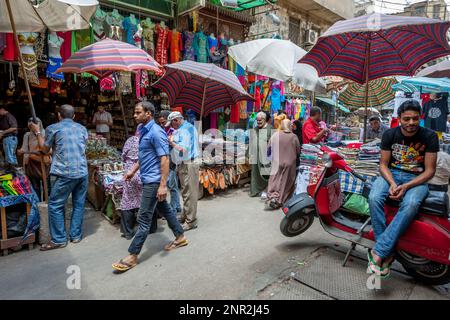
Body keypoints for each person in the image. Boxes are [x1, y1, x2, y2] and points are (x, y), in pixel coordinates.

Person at [112, 102, 187, 272]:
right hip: (148, 179)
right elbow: (144, 156)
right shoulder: (144, 130)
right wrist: (132, 170)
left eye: (138, 112)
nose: (134, 115)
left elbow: (165, 159)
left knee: (144, 219)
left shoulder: (156, 132)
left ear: (148, 114)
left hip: (153, 182)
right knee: (166, 210)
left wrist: (162, 186)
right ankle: (180, 236)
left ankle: (132, 255)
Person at [368, 100, 439, 277]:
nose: (411, 123)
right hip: (391, 174)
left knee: (412, 204)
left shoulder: (429, 136)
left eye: (415, 118)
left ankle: (380, 251)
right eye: (406, 119)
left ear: (420, 118)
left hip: (417, 179)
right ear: (399, 118)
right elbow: (383, 165)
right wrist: (392, 183)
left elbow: (430, 171)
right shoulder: (390, 134)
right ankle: (387, 250)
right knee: (374, 197)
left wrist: (406, 186)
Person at [29, 104, 89, 250]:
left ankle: (59, 239)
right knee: (79, 204)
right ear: (74, 116)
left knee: (55, 205)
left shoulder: (53, 128)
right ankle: (75, 236)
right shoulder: (82, 129)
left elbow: (44, 149)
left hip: (65, 172)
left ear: (59, 116)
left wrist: (37, 132)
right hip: (82, 171)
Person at [167, 111, 200, 231]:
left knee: (190, 192)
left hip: (189, 163)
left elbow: (183, 149)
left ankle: (191, 221)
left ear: (176, 120)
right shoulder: (183, 128)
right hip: (184, 163)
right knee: (185, 191)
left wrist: (171, 142)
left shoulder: (186, 129)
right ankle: (186, 215)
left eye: (171, 123)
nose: (171, 126)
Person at [266, 119, 301, 209]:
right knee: (287, 181)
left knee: (275, 179)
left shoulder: (275, 135)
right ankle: (281, 199)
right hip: (289, 163)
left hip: (277, 161)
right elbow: (298, 151)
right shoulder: (294, 137)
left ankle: (273, 197)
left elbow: (268, 148)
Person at [17, 118, 51, 201]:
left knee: (47, 187)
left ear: (39, 123)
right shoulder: (27, 135)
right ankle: (37, 205)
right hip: (32, 163)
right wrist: (20, 152)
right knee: (35, 187)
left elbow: (48, 150)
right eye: (29, 121)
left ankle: (47, 204)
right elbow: (24, 148)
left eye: (34, 122)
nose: (31, 123)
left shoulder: (45, 133)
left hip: (44, 162)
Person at [156, 111, 181, 215]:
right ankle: (177, 206)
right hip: (167, 159)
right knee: (173, 183)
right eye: (160, 123)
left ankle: (173, 209)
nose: (162, 125)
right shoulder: (163, 130)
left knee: (171, 184)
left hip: (171, 159)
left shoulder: (174, 131)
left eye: (164, 122)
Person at [119, 129, 142, 240]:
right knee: (144, 200)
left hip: (129, 173)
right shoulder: (146, 140)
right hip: (142, 173)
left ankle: (128, 232)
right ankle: (149, 228)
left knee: (128, 200)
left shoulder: (130, 140)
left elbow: (123, 156)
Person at [249, 112, 273, 198]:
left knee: (266, 173)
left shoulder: (270, 129)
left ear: (264, 119)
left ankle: (266, 190)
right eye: (257, 120)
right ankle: (255, 190)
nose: (258, 122)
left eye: (260, 120)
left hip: (266, 156)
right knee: (255, 173)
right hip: (255, 156)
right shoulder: (255, 129)